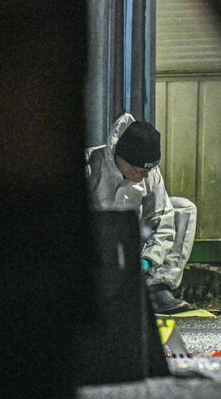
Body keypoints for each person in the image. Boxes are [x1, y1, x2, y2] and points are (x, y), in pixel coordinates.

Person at [86, 114, 198, 315]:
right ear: (121, 158)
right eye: (138, 171)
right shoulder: (90, 165)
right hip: (94, 254)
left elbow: (162, 219)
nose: (143, 177)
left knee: (183, 209)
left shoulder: (149, 173)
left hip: (134, 249)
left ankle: (157, 287)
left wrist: (148, 260)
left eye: (148, 171)